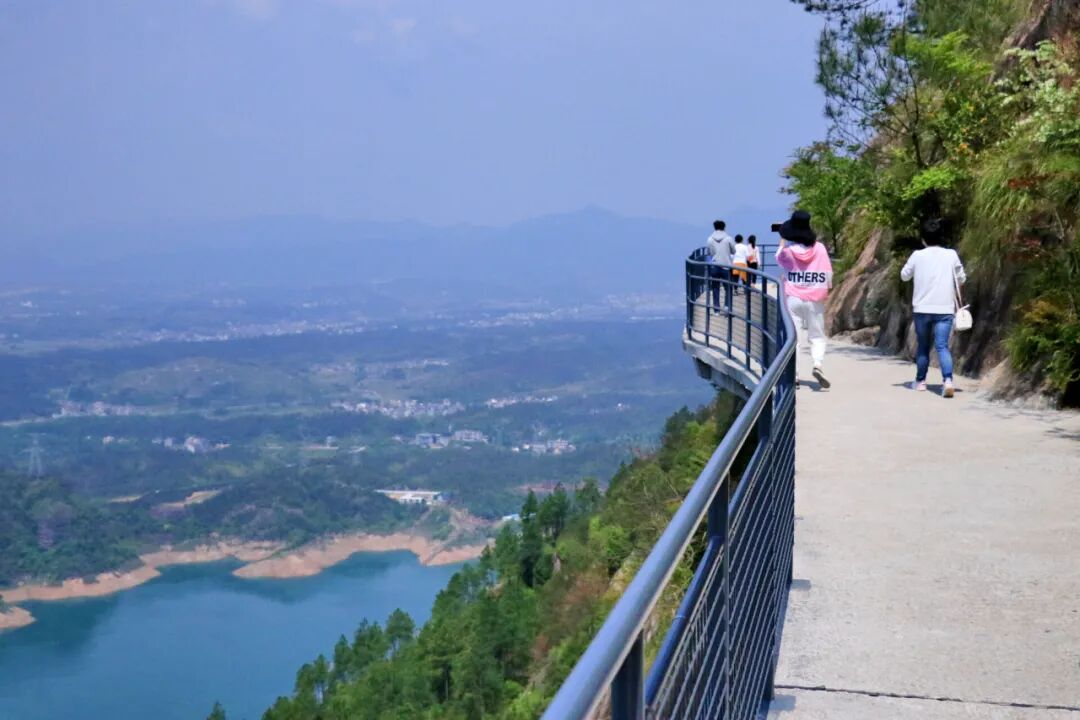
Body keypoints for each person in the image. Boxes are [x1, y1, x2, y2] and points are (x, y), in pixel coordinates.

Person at [900, 218, 967, 398]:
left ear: (923, 238)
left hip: (922, 308)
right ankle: (947, 381)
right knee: (942, 346)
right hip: (944, 308)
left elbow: (904, 276)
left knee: (923, 346)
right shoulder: (951, 255)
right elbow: (962, 278)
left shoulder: (917, 256)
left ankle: (920, 382)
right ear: (941, 237)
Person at [775, 210, 833, 388]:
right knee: (817, 336)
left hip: (793, 298)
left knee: (795, 339)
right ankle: (817, 364)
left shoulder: (788, 252)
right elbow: (828, 273)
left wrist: (783, 241)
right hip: (815, 298)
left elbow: (778, 258)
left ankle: (795, 376)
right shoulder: (821, 248)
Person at [705, 220, 736, 309]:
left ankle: (716, 309)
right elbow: (734, 251)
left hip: (714, 266)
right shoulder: (728, 238)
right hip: (726, 266)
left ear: (714, 227)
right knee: (728, 287)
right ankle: (727, 306)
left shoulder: (710, 239)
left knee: (715, 288)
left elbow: (710, 253)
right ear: (724, 227)